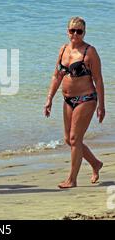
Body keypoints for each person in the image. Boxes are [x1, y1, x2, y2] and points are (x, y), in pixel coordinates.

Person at [44, 17, 105, 188]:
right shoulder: (63, 50)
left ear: (84, 33)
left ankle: (72, 179)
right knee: (68, 140)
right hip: (68, 100)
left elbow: (98, 80)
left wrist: (101, 105)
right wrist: (49, 99)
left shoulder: (89, 52)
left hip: (86, 99)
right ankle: (95, 163)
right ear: (67, 31)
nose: (75, 34)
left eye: (79, 31)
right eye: (72, 31)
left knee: (75, 138)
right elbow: (57, 76)